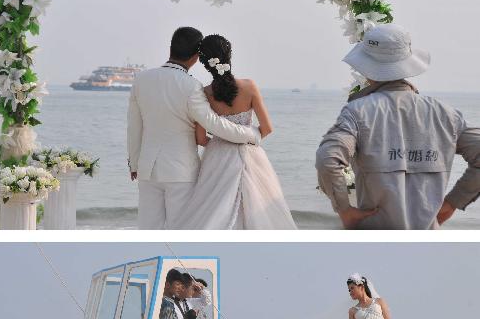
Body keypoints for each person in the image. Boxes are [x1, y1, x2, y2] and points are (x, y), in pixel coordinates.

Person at [316, 24, 480, 229]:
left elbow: (327, 158)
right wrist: (453, 202)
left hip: (374, 237)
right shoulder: (445, 114)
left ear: (367, 68)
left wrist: (344, 210)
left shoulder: (357, 112)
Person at [126, 26, 262, 229]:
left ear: (171, 48)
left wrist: (134, 163)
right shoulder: (191, 86)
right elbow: (213, 123)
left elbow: (134, 126)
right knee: (180, 230)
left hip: (147, 170)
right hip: (181, 172)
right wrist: (250, 133)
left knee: (147, 229)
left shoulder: (142, 79)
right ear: (197, 56)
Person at [183, 34, 296, 229]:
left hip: (217, 157)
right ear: (229, 56)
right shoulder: (249, 86)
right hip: (250, 154)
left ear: (205, 63)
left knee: (212, 210)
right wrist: (244, 135)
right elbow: (267, 129)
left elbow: (200, 139)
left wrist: (220, 141)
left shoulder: (204, 94)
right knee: (260, 209)